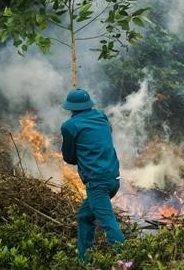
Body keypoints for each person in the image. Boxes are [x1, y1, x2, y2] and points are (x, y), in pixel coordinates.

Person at [60, 88, 125, 260]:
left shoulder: (69, 126)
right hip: (113, 179)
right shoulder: (101, 116)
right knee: (84, 216)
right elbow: (105, 135)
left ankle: (128, 260)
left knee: (108, 223)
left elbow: (69, 158)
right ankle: (83, 260)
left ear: (71, 108)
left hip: (97, 184)